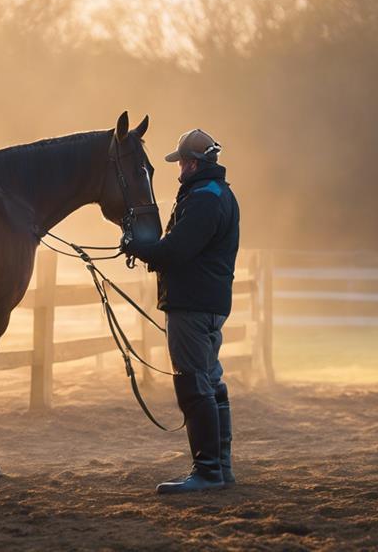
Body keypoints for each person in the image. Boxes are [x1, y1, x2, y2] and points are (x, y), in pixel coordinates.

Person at [121, 128, 240, 494]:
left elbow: (176, 250)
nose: (179, 170)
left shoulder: (204, 199)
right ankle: (219, 468)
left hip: (192, 304)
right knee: (209, 381)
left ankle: (207, 471)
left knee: (192, 382)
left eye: (183, 163)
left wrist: (138, 247)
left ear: (194, 163)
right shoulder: (219, 194)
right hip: (207, 302)